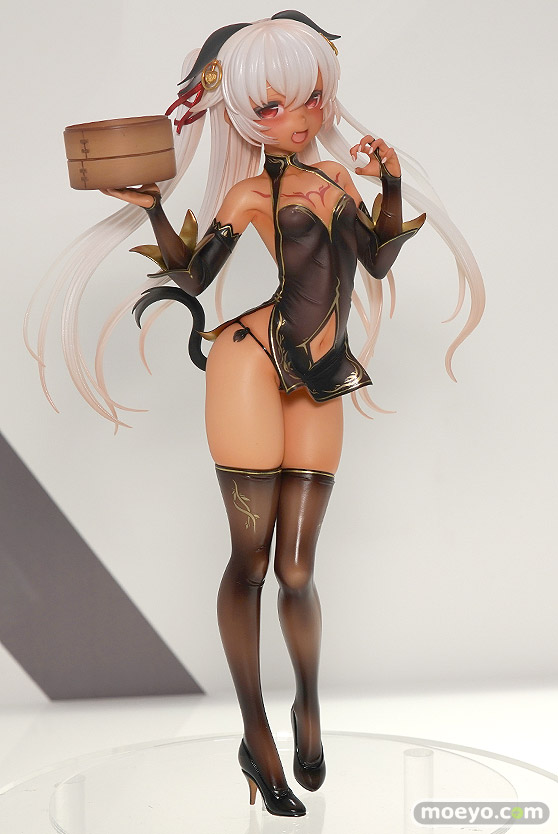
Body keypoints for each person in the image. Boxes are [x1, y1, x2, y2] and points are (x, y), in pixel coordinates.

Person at [25, 11, 484, 818]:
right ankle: (256, 735)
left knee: (298, 570)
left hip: (321, 373)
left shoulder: (335, 179)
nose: (297, 117)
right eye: (270, 106)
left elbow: (376, 261)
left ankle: (307, 706)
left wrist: (391, 184)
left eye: (309, 97)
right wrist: (153, 207)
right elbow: (195, 277)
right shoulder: (248, 193)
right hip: (249, 361)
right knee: (251, 561)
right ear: (240, 114)